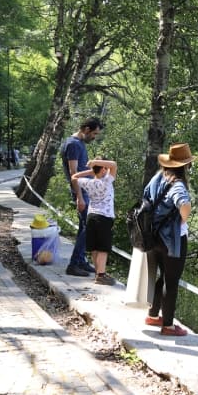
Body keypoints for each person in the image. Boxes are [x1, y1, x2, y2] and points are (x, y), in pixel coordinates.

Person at [143, 143, 195, 337]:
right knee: (171, 282)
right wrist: (180, 220)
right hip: (172, 240)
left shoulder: (158, 177)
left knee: (162, 277)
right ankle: (168, 326)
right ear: (184, 166)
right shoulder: (178, 184)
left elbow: (146, 197)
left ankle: (153, 315)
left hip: (153, 237)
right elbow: (185, 204)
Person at [60, 117, 103, 277]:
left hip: (86, 191)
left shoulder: (78, 144)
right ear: (86, 129)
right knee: (88, 227)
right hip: (81, 193)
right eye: (94, 133)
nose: (94, 137)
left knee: (84, 227)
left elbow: (81, 169)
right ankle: (73, 265)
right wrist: (79, 197)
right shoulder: (72, 144)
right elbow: (73, 173)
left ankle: (81, 261)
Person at [72, 157, 118, 285]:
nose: (108, 169)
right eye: (105, 168)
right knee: (103, 248)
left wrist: (91, 171)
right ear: (103, 168)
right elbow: (114, 164)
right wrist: (95, 166)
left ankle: (98, 273)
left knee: (94, 247)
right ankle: (101, 276)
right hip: (104, 217)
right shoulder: (107, 181)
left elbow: (74, 177)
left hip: (91, 215)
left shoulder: (88, 182)